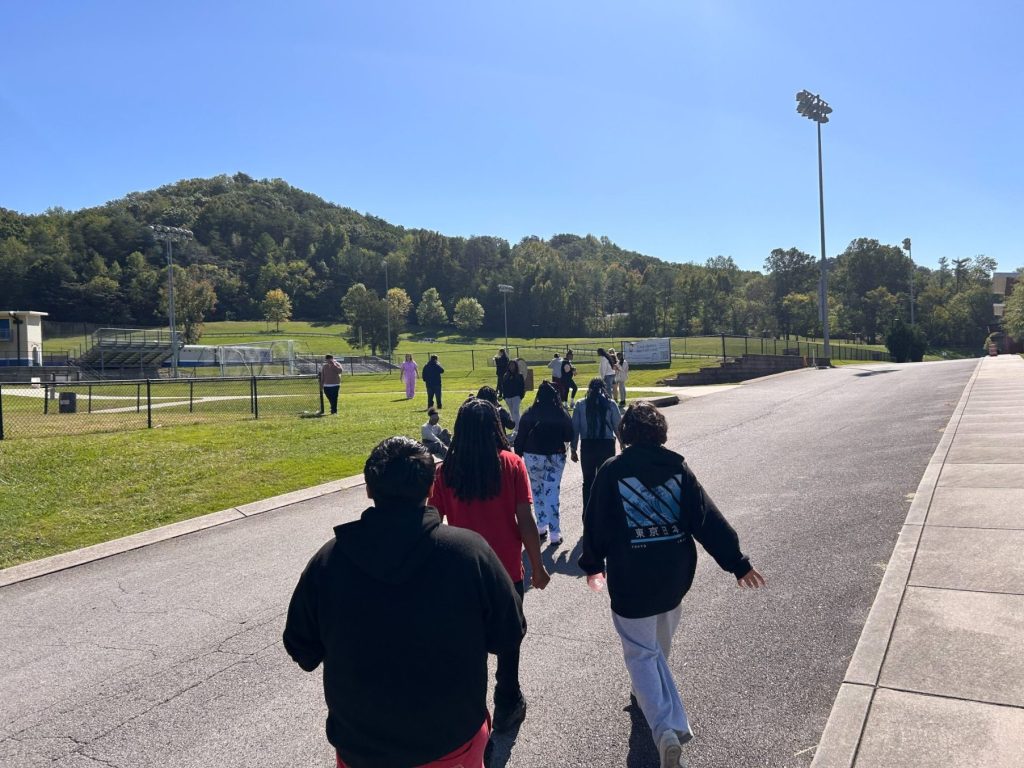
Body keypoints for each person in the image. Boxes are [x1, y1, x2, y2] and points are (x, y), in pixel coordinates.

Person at [283, 436, 526, 768]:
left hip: (361, 747)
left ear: (369, 489)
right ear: (430, 488)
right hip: (452, 741)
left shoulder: (329, 561)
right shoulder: (470, 553)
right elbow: (509, 632)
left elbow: (302, 648)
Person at [579, 402, 766, 768]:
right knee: (657, 646)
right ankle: (646, 694)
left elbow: (595, 522)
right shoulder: (678, 468)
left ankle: (666, 730)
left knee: (642, 653)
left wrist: (592, 564)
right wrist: (737, 563)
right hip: (674, 575)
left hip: (632, 577)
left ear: (624, 434)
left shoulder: (613, 471)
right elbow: (707, 519)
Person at [430, 399, 550, 733]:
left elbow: (433, 522)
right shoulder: (511, 464)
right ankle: (507, 700)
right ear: (495, 427)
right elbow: (526, 519)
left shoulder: (445, 472)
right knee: (509, 639)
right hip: (506, 571)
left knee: (470, 643)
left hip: (460, 572)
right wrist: (537, 566)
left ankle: (472, 708)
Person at [513, 381, 573, 546]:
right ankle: (555, 532)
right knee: (552, 492)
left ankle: (541, 527)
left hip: (532, 456)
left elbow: (520, 438)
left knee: (537, 491)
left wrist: (517, 455)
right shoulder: (561, 413)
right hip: (554, 456)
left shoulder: (530, 413)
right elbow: (569, 434)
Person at [570, 378, 621, 511]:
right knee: (606, 481)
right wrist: (623, 443)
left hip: (588, 446)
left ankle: (588, 514)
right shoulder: (610, 404)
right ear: (604, 388)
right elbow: (617, 426)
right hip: (607, 445)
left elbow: (575, 428)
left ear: (589, 389)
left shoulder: (581, 405)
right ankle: (606, 513)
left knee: (588, 482)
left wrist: (573, 449)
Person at [501, 359, 526, 428]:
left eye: (513, 365)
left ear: (516, 366)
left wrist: (521, 396)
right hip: (508, 397)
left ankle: (517, 429)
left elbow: (522, 386)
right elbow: (503, 386)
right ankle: (519, 426)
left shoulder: (519, 375)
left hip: (516, 397)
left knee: (515, 411)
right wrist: (505, 397)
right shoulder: (506, 375)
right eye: (510, 365)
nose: (511, 367)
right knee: (512, 413)